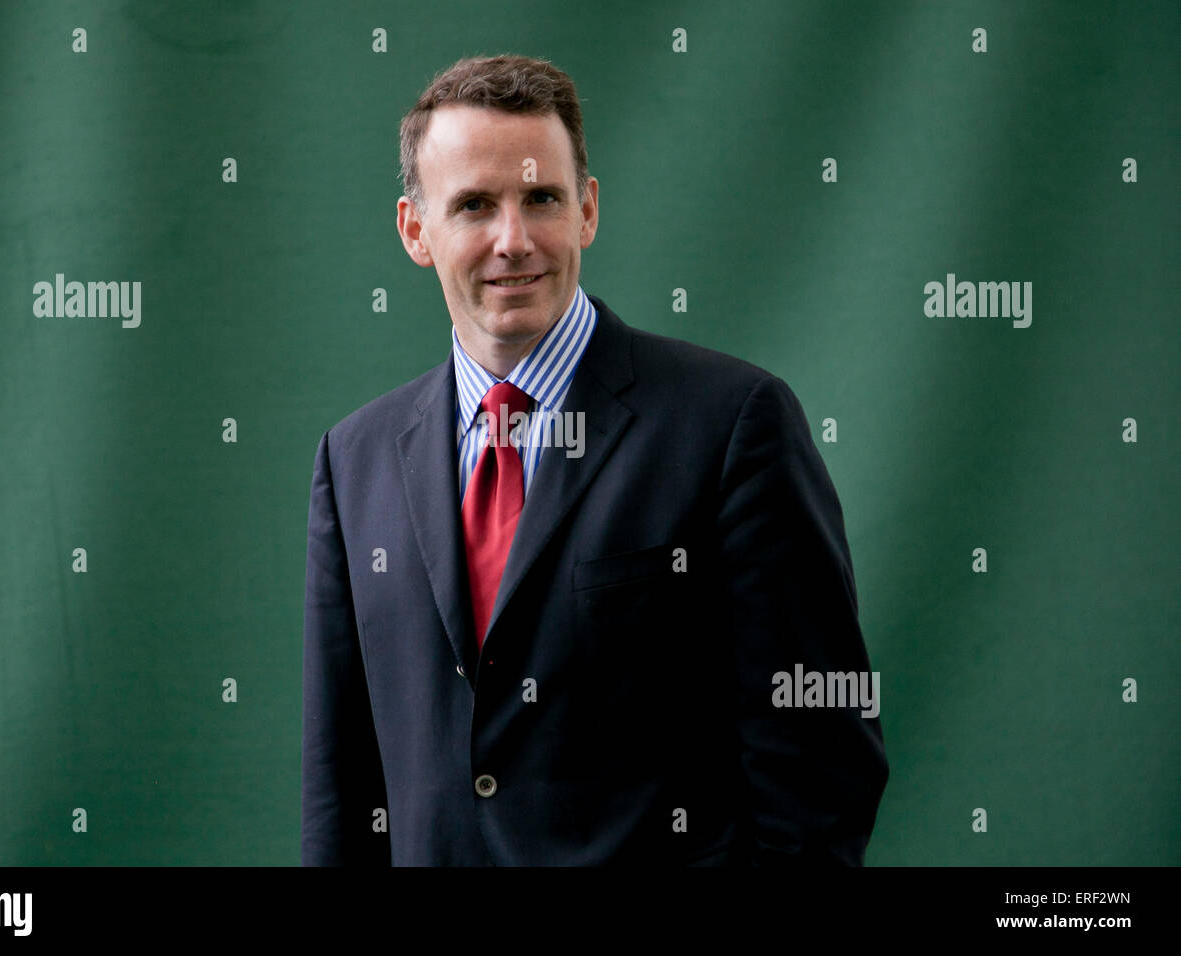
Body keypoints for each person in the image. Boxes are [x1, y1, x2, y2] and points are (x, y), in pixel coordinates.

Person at [301, 53, 888, 866]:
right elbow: (344, 789)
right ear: (415, 230)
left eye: (541, 197)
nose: (514, 239)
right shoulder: (353, 459)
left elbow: (821, 764)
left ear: (587, 209)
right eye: (474, 205)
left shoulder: (731, 426)